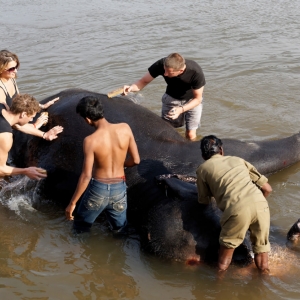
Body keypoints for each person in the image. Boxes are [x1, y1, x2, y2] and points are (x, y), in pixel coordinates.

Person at [196, 135, 272, 273]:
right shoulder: (238, 160)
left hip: (237, 209)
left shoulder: (203, 169)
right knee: (261, 252)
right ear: (221, 150)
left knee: (223, 260)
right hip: (261, 205)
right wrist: (256, 207)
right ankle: (264, 286)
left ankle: (219, 287)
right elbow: (267, 188)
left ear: (203, 155)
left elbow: (203, 200)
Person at [65, 96, 140, 234]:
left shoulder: (90, 141)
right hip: (119, 188)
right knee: (120, 230)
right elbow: (136, 160)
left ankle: (79, 254)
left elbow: (86, 176)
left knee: (80, 229)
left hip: (98, 190)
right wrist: (120, 164)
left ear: (87, 119)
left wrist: (72, 203)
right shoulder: (125, 128)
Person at [123, 53, 205, 140]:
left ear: (180, 71)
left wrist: (181, 109)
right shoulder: (162, 64)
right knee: (168, 131)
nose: (165, 74)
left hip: (192, 101)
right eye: (164, 70)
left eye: (169, 72)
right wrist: (131, 88)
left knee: (191, 134)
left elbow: (198, 99)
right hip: (172, 98)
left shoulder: (196, 72)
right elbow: (143, 81)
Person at [0, 94, 63, 180]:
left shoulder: (2, 106)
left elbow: (17, 125)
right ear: (23, 114)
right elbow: (1, 169)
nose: (30, 120)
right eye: (31, 117)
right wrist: (25, 171)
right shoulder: (5, 136)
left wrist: (44, 134)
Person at [0, 50, 59, 129]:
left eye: (16, 67)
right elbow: (7, 121)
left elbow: (19, 101)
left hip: (18, 116)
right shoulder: (0, 90)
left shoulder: (11, 78)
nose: (16, 71)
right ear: (1, 69)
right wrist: (35, 125)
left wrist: (41, 106)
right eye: (11, 69)